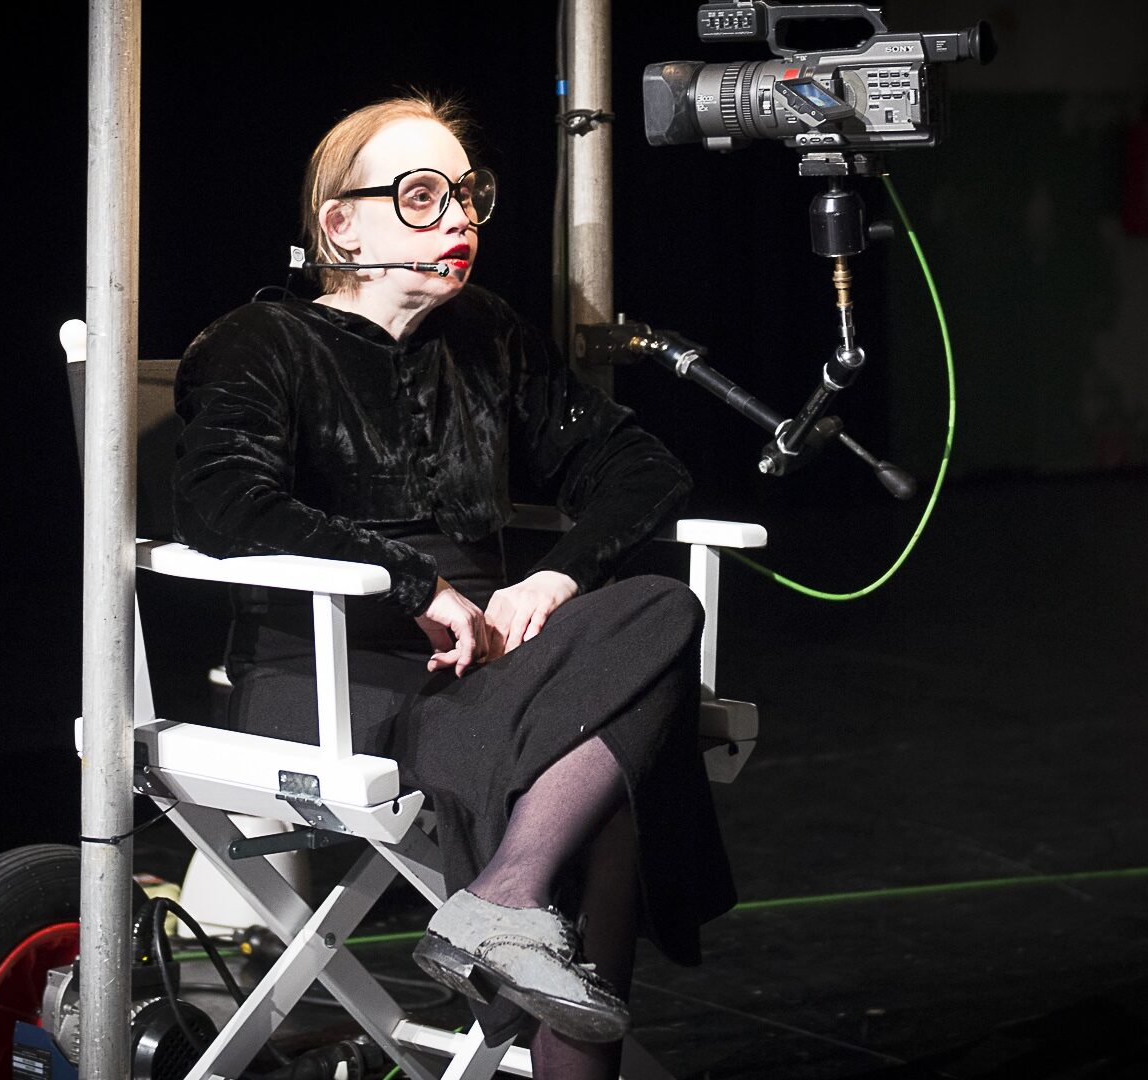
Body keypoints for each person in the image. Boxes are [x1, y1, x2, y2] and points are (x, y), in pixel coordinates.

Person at [172, 93, 734, 1078]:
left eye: (468, 197)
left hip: (488, 668)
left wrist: (554, 580)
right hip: (339, 675)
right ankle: (514, 909)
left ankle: (502, 900)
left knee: (659, 604)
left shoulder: (486, 336)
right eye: (425, 197)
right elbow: (221, 503)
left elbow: (637, 469)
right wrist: (409, 580)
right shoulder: (259, 343)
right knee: (608, 782)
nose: (461, 222)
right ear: (340, 222)